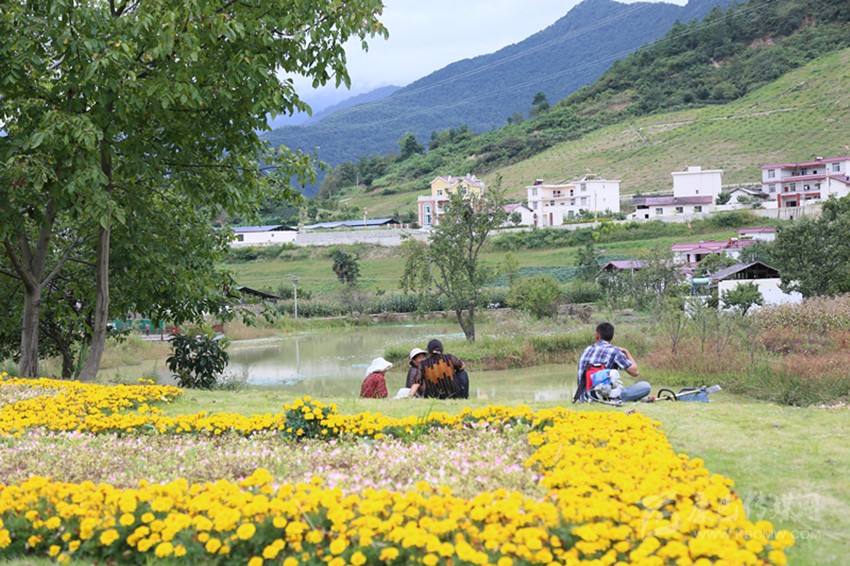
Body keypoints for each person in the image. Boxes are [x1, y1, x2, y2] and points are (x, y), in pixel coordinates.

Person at [575, 322, 650, 402]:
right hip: (603, 397)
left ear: (597, 335)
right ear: (611, 337)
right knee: (645, 386)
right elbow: (635, 372)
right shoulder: (614, 351)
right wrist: (626, 352)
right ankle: (616, 398)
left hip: (583, 397)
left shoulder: (587, 350)